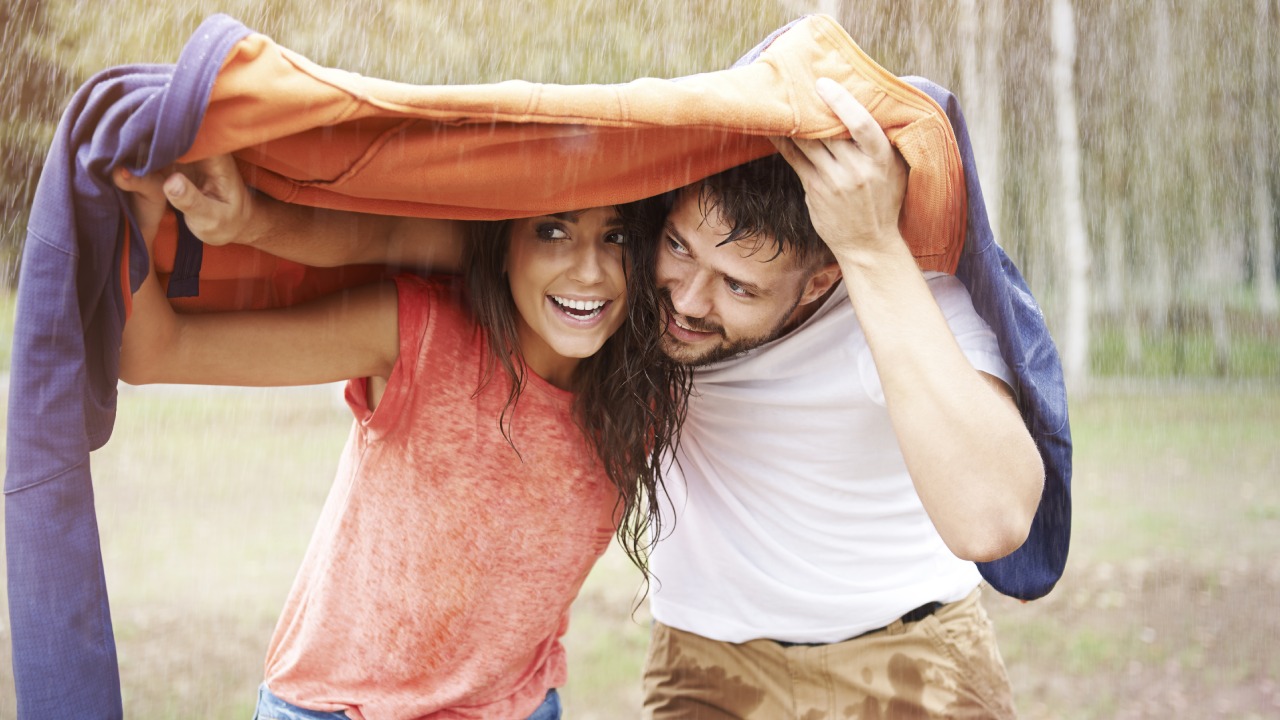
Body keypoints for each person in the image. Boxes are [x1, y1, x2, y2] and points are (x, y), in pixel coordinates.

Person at [128, 79, 1043, 718]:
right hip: (681, 672)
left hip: (893, 659)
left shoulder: (876, 303)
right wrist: (242, 219)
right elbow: (454, 245)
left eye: (737, 287)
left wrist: (874, 249)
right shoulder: (559, 310)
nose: (688, 301)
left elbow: (996, 515)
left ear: (814, 283)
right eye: (679, 251)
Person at [113, 168, 689, 720]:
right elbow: (155, 352)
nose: (589, 270)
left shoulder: (650, 388)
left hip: (519, 708)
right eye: (552, 230)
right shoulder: (422, 334)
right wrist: (141, 219)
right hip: (338, 709)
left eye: (617, 236)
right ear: (501, 240)